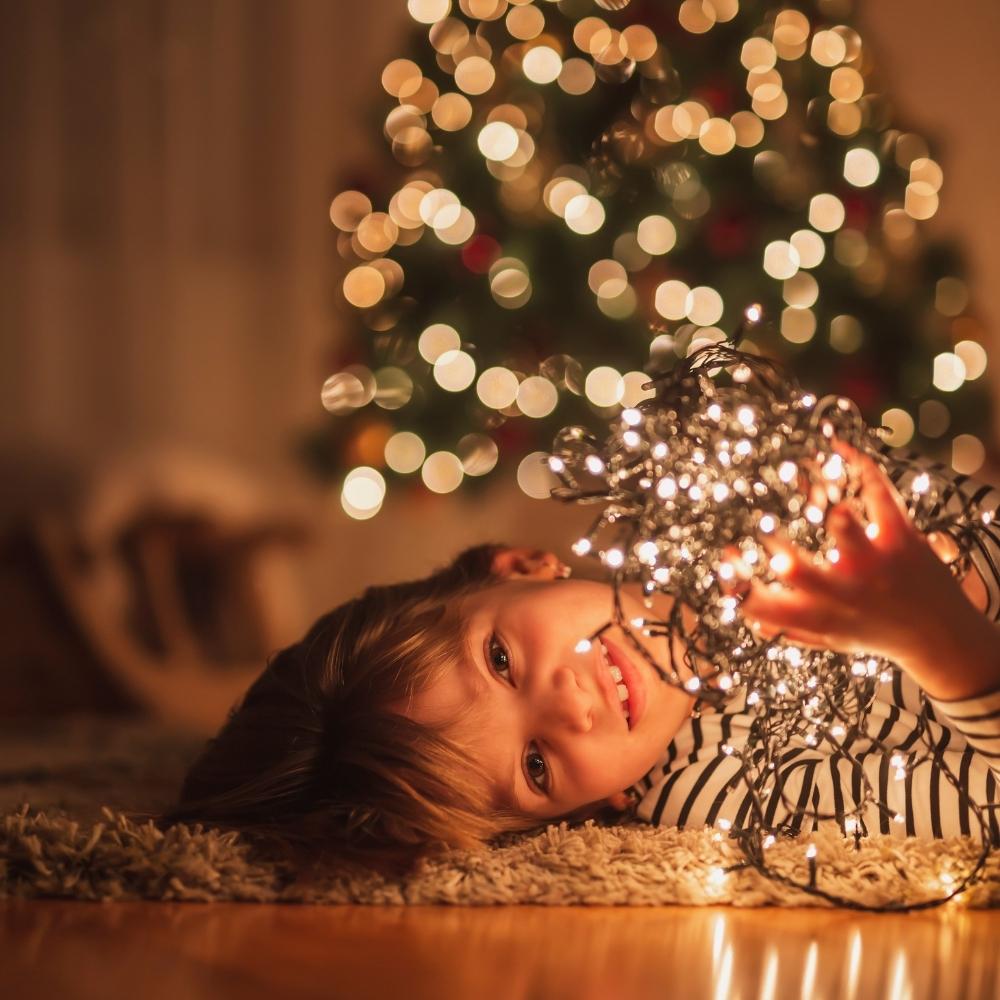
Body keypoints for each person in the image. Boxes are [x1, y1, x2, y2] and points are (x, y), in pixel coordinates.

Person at [160, 443, 1000, 875]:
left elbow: (953, 499)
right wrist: (943, 640)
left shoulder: (714, 513)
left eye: (500, 660)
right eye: (534, 765)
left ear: (522, 567)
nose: (568, 707)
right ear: (592, 809)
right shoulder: (717, 790)